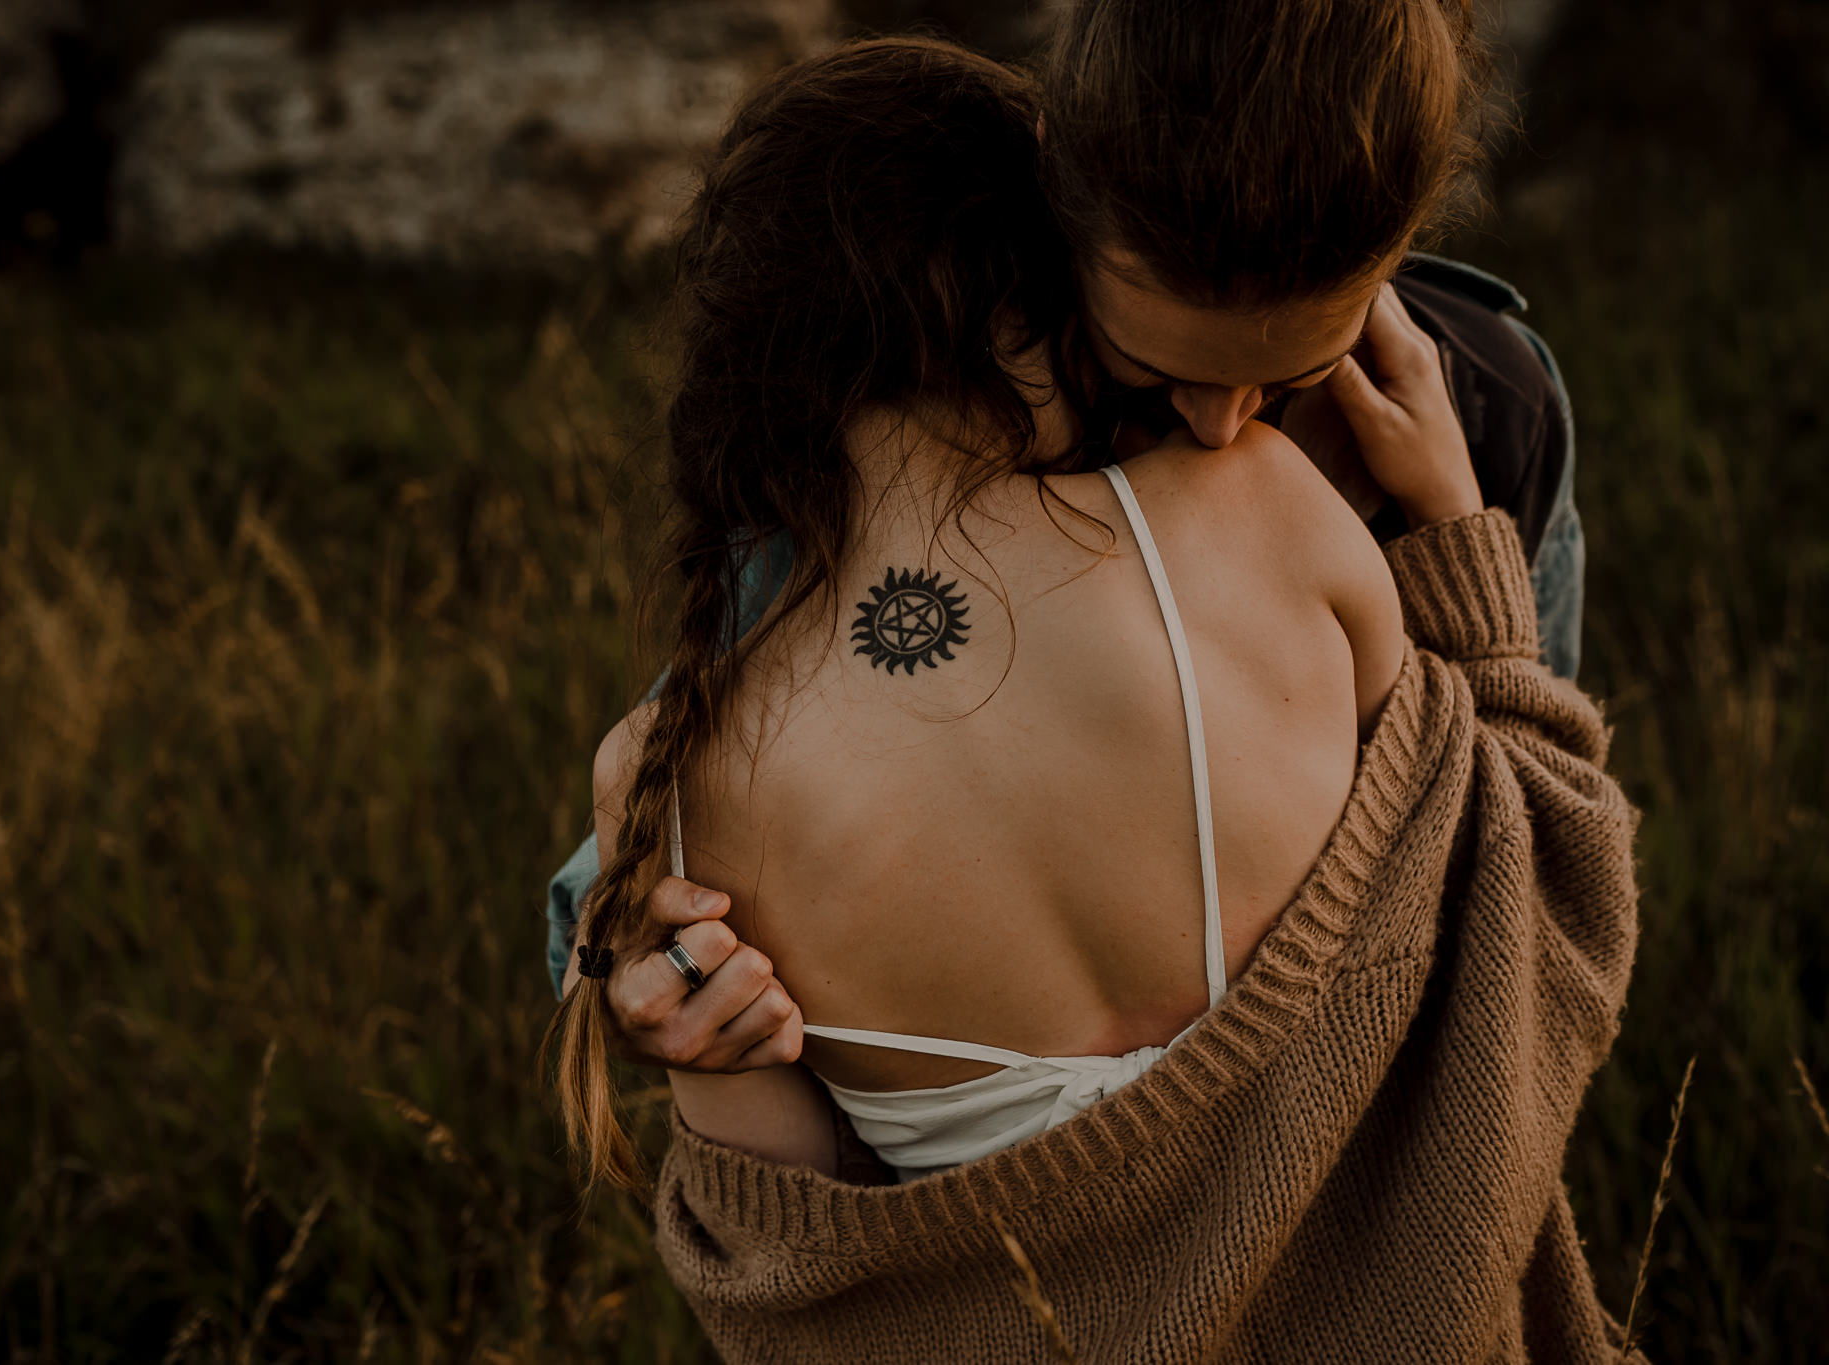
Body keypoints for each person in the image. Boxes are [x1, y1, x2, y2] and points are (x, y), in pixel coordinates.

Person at [544, 31, 1641, 1362]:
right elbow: (1529, 930)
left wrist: (696, 1034)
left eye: (1289, 373)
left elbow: (796, 1271)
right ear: (1051, 212)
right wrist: (627, 975)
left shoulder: (1500, 402)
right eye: (1145, 363)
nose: (1227, 423)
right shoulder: (1289, 529)